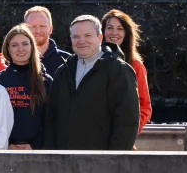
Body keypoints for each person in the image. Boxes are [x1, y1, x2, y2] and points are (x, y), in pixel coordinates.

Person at [44, 15, 140, 150]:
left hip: (101, 163)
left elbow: (127, 121)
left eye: (88, 35)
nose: (81, 41)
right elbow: (51, 116)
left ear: (100, 38)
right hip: (63, 162)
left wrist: (115, 160)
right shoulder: (63, 71)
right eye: (76, 36)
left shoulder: (118, 70)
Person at [0, 24, 51, 149]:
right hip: (5, 151)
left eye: (25, 44)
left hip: (37, 152)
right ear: (7, 49)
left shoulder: (46, 81)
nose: (20, 49)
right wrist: (7, 145)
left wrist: (35, 146)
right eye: (14, 45)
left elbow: (52, 121)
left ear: (32, 46)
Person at [103, 9, 152, 131]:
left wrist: (127, 133)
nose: (114, 33)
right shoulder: (92, 62)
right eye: (109, 28)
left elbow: (144, 108)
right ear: (102, 32)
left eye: (120, 28)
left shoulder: (136, 66)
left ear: (126, 33)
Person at [25, 5, 72, 76]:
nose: (37, 31)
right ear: (25, 29)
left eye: (42, 26)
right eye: (33, 26)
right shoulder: (15, 61)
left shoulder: (68, 61)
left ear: (50, 29)